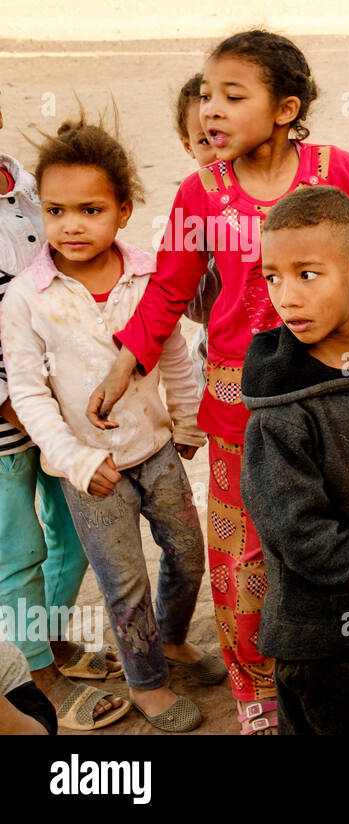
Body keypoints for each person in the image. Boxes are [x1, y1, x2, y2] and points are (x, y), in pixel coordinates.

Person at [84, 30, 349, 734]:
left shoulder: (333, 169)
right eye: (205, 94)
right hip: (237, 398)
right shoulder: (201, 191)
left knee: (346, 518)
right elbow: (168, 290)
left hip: (335, 392)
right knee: (244, 548)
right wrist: (126, 362)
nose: (210, 109)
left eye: (231, 95)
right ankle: (257, 691)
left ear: (285, 109)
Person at [1, 115, 220, 732]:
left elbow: (171, 349)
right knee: (122, 583)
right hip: (89, 471)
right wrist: (76, 461)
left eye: (90, 209)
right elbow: (28, 391)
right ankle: (145, 681)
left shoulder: (148, 273)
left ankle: (172, 639)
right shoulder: (26, 297)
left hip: (156, 449)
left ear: (123, 210)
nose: (71, 225)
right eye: (55, 209)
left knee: (186, 553)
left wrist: (186, 422)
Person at [240, 185, 349, 734]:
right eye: (273, 277)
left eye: (307, 274)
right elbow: (305, 540)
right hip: (323, 645)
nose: (286, 297)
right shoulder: (279, 417)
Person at [0, 92, 125, 730]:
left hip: (59, 413)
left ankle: (46, 641)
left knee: (74, 534)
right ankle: (35, 676)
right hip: (7, 417)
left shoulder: (28, 186)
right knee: (15, 550)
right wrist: (11, 401)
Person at [172, 72, 221, 389]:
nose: (218, 150)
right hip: (218, 355)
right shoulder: (191, 207)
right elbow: (196, 310)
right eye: (205, 141)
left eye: (222, 134)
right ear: (187, 145)